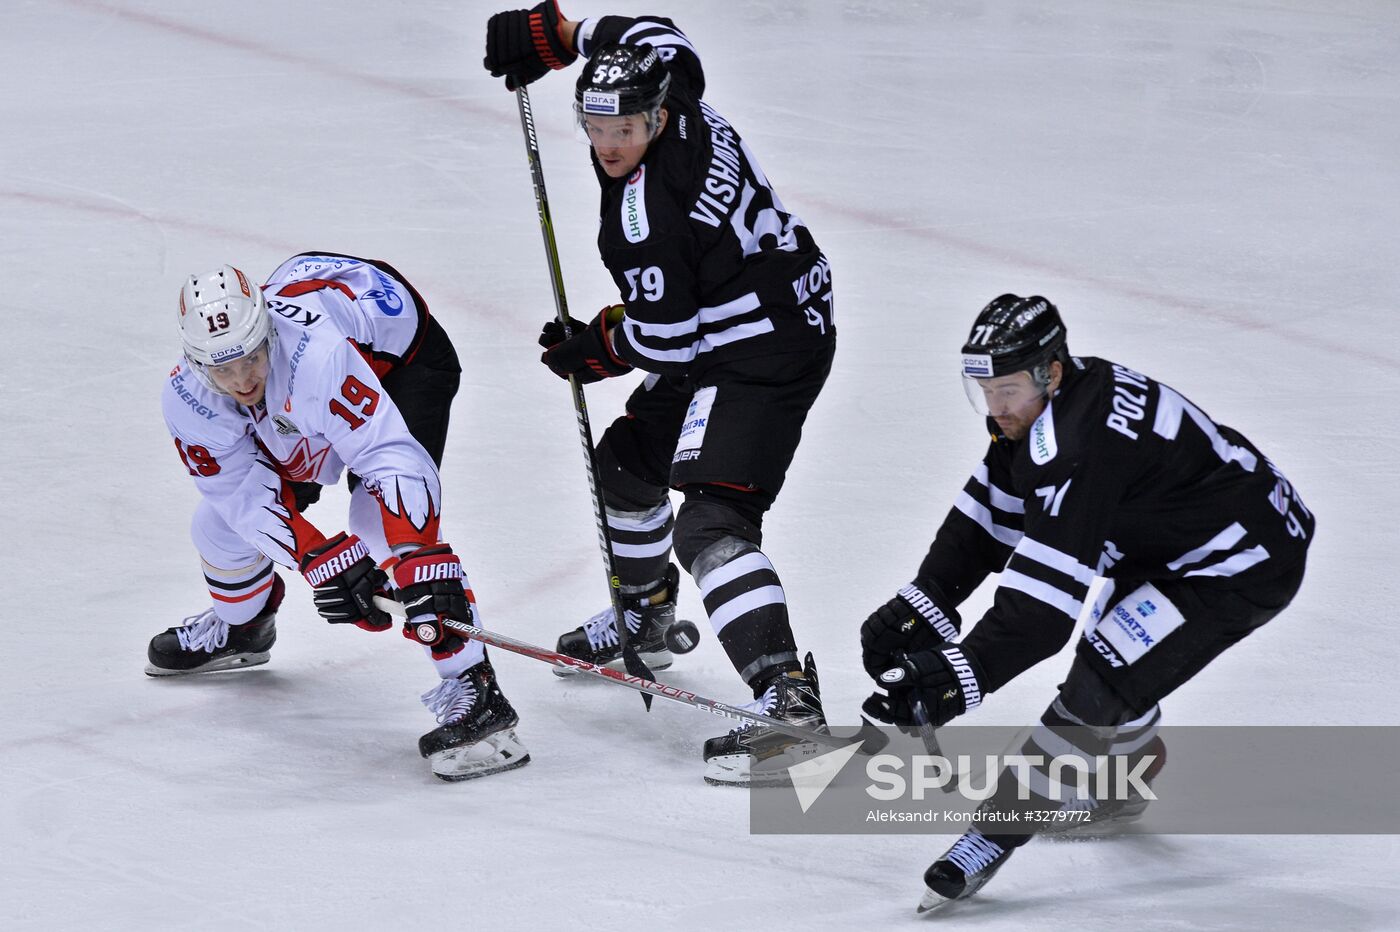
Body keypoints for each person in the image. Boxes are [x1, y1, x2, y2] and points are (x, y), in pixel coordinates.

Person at [857, 294, 1314, 910]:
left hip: (1234, 567)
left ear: (1051, 370)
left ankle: (992, 835)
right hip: (1167, 548)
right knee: (1115, 672)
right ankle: (1127, 773)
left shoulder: (1078, 445)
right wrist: (927, 600)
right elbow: (995, 510)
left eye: (1008, 390)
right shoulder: (1050, 407)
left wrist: (959, 676)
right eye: (984, 390)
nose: (995, 408)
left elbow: (1042, 613)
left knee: (1097, 682)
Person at [483, 3, 837, 785]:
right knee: (626, 468)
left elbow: (669, 342)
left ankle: (791, 706)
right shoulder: (682, 92)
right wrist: (564, 36)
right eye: (595, 129)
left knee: (712, 519)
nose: (608, 148)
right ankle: (644, 616)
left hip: (760, 349)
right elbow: (656, 31)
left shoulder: (647, 217)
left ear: (656, 114)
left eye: (623, 132)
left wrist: (598, 347)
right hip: (752, 309)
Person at [152, 253, 530, 781]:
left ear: (267, 336)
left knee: (378, 525)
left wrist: (419, 557)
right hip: (306, 391)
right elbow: (238, 490)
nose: (240, 380)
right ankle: (245, 628)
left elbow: (387, 453)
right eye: (222, 368)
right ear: (195, 363)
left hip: (400, 362)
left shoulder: (317, 356)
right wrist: (316, 556)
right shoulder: (187, 398)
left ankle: (477, 690)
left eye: (250, 359)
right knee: (214, 527)